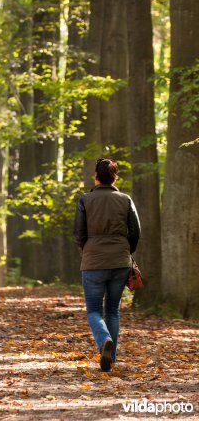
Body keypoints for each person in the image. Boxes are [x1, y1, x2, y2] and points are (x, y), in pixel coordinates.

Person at [74, 158, 140, 372]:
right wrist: (126, 251)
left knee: (93, 310)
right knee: (112, 310)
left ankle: (104, 342)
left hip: (93, 260)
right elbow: (135, 231)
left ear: (96, 176)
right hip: (120, 260)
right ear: (115, 177)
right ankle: (111, 359)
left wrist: (87, 250)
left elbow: (79, 232)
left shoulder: (85, 199)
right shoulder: (125, 199)